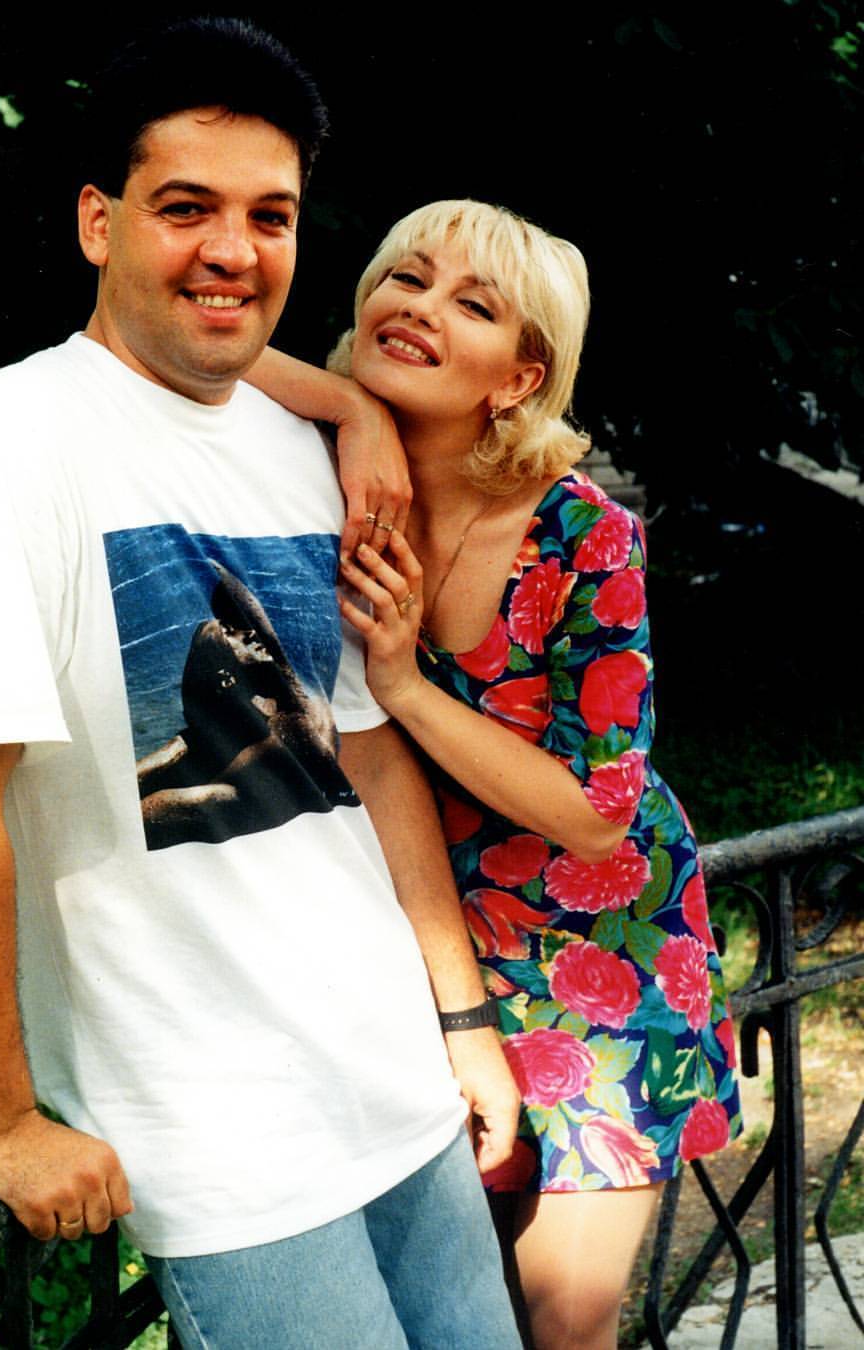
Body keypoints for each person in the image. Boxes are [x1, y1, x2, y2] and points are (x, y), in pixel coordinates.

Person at [0, 21, 525, 1350]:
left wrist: (458, 1017)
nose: (234, 249)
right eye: (186, 209)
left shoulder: (304, 448)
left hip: (396, 1082)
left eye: (269, 216)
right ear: (98, 222)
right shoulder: (1, 451)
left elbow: (367, 754)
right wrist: (3, 1121)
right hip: (224, 1144)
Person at [252, 199, 743, 1350]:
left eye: (471, 304)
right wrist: (351, 408)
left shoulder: (584, 536)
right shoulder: (303, 476)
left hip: (603, 964)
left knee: (563, 1316)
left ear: (519, 380)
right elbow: (176, 347)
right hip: (417, 961)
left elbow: (598, 815)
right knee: (456, 1314)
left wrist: (405, 681)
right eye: (405, 278)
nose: (420, 308)